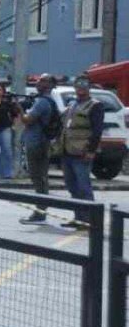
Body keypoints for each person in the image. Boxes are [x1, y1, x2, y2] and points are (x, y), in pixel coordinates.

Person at [60, 76, 105, 229]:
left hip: (82, 152)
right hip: (67, 151)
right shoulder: (73, 104)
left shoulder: (95, 105)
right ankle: (78, 218)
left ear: (89, 87)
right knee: (72, 187)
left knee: (84, 187)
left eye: (83, 85)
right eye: (78, 85)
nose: (80, 88)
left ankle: (90, 220)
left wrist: (91, 151)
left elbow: (97, 130)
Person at [19, 75, 59, 225]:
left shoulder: (42, 102)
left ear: (49, 85)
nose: (38, 83)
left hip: (37, 144)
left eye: (42, 81)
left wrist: (18, 107)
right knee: (41, 178)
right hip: (41, 143)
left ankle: (40, 212)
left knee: (38, 178)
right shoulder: (47, 100)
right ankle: (41, 210)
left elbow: (27, 120)